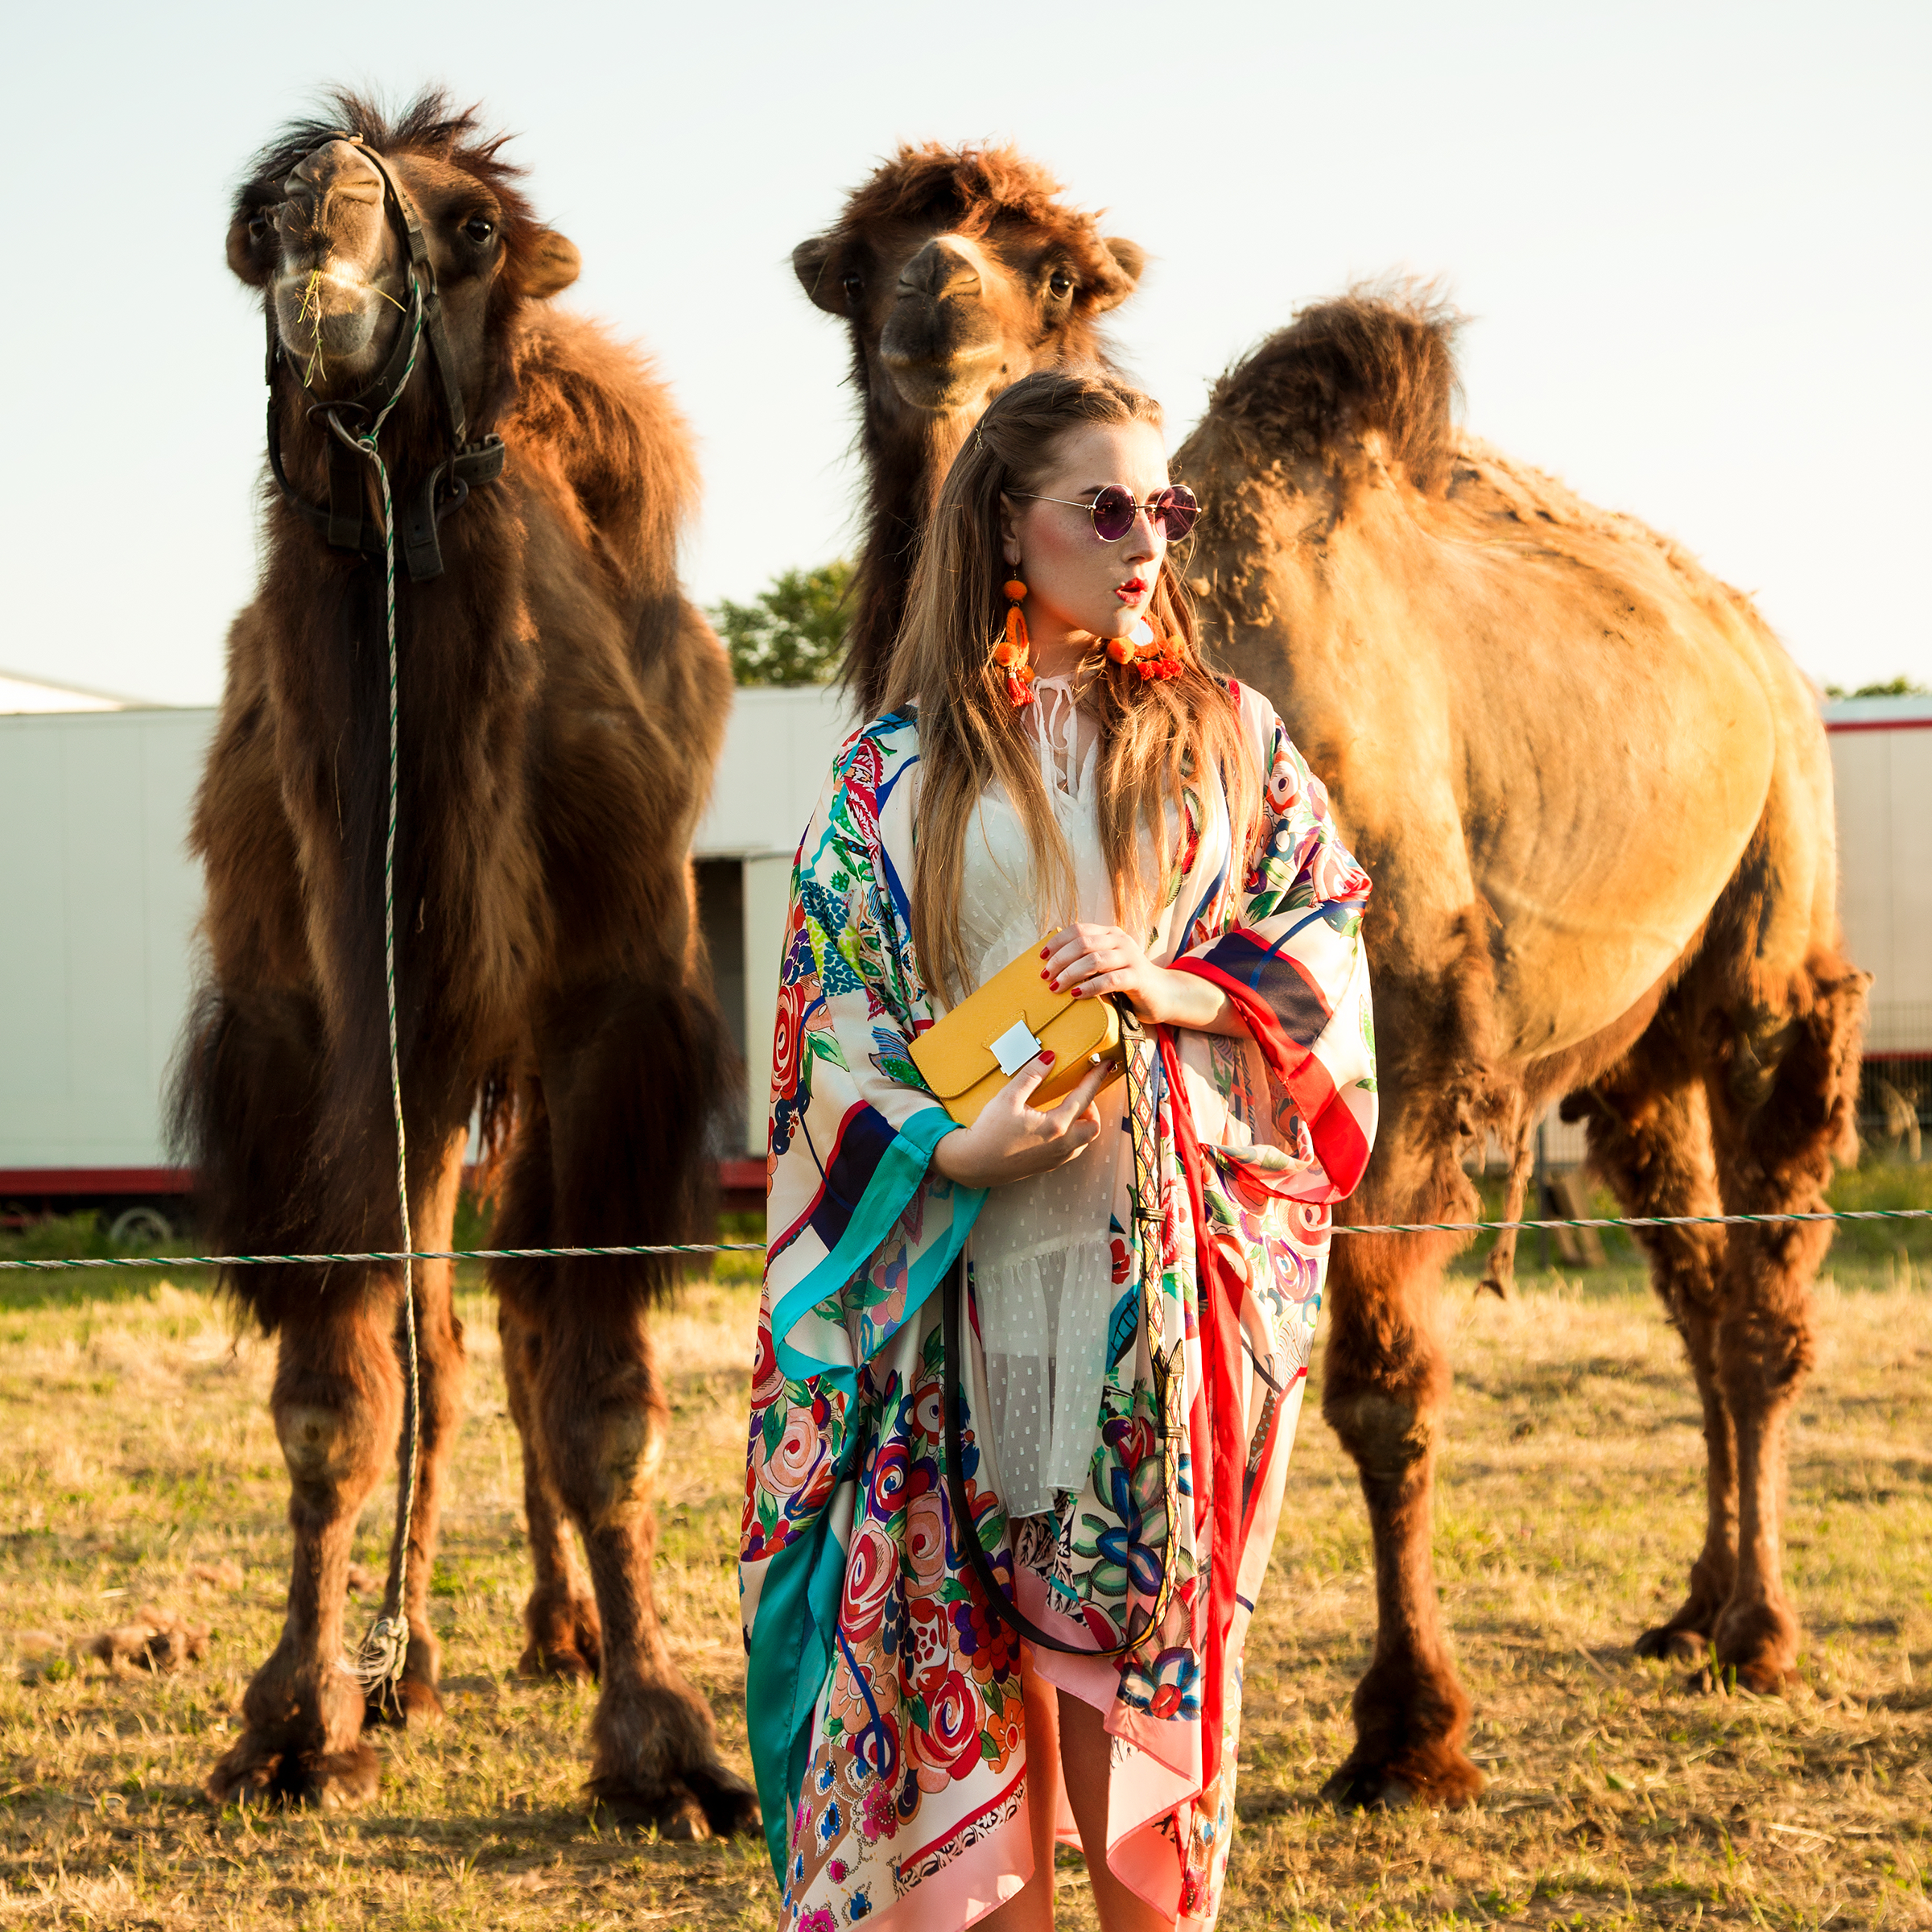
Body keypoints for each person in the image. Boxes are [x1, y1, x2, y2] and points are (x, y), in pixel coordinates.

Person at [740, 369, 1377, 1932]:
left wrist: (1174, 986)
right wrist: (950, 1155)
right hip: (941, 1313)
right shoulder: (894, 774)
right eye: (1106, 507)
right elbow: (827, 1022)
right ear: (1007, 533)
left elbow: (1323, 924)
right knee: (972, 1792)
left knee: (1138, 1810)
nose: (1147, 540)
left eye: (1164, 507)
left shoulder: (1229, 737)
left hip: (1143, 1297)